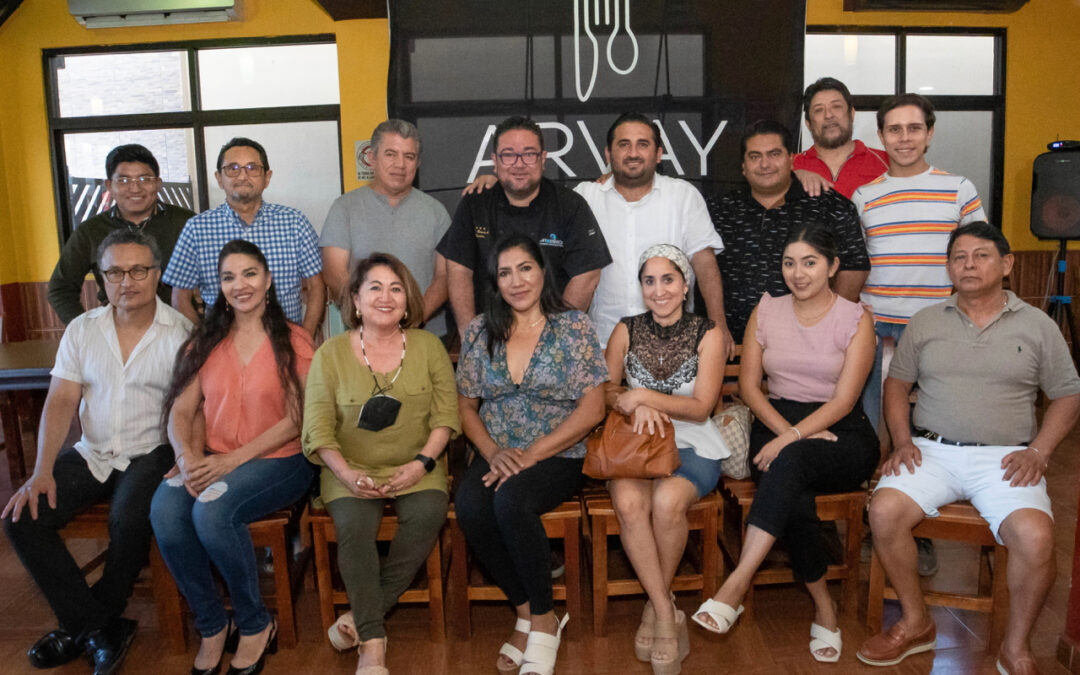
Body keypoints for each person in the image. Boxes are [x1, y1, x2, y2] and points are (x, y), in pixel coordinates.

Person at [857, 223, 1080, 673]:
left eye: (981, 255)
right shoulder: (926, 321)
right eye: (959, 257)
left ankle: (1015, 648)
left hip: (1007, 458)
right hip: (932, 451)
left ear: (1007, 263)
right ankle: (917, 622)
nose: (969, 265)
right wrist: (901, 441)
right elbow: (896, 384)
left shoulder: (1037, 325)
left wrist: (1040, 451)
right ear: (948, 268)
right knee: (883, 511)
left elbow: (1068, 394)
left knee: (1036, 540)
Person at [3, 229, 192, 675]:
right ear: (101, 278)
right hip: (94, 452)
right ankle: (97, 628)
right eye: (115, 272)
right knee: (22, 517)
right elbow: (61, 401)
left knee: (127, 518)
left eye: (139, 270)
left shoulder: (180, 333)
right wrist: (41, 470)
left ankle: (92, 621)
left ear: (157, 274)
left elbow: (187, 410)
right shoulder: (82, 331)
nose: (128, 280)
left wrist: (186, 460)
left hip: (154, 450)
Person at [691, 224, 879, 664]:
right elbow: (752, 389)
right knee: (793, 493)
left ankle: (736, 583)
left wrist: (796, 436)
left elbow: (846, 399)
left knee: (787, 466)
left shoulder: (856, 317)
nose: (798, 273)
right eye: (789, 263)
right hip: (774, 421)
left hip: (842, 430)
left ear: (832, 267)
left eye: (810, 263)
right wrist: (786, 433)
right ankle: (825, 608)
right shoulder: (767, 310)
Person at [150, 239, 315, 675]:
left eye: (249, 274)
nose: (239, 285)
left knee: (211, 511)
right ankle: (211, 624)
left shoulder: (295, 340)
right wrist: (186, 457)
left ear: (268, 280)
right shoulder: (204, 342)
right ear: (216, 287)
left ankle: (256, 622)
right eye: (228, 277)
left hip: (281, 460)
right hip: (212, 457)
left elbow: (297, 420)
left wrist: (231, 461)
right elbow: (180, 412)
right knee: (165, 509)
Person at [453, 234, 608, 675]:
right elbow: (466, 406)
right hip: (497, 449)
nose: (517, 280)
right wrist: (495, 451)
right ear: (494, 282)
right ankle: (526, 611)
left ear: (543, 270)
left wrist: (531, 454)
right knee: (470, 506)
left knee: (511, 501)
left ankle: (542, 621)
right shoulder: (481, 329)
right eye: (505, 272)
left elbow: (593, 407)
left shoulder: (573, 326)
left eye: (525, 268)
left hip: (558, 453)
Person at [302, 253, 459, 675]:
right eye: (374, 287)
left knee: (428, 514)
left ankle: (361, 615)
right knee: (354, 527)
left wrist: (423, 464)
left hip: (417, 465)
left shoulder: (428, 347)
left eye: (396, 289)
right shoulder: (329, 355)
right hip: (348, 468)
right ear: (354, 300)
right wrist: (346, 473)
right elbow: (317, 429)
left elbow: (446, 417)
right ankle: (373, 642)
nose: (386, 297)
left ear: (408, 302)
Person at [464, 113, 729, 353]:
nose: (633, 153)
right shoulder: (585, 197)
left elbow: (705, 265)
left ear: (659, 154)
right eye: (624, 145)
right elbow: (529, 191)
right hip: (601, 344)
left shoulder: (684, 196)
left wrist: (719, 326)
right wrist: (497, 182)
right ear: (607, 155)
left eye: (643, 144)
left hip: (674, 343)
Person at [603, 244, 727, 674]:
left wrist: (646, 397)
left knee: (667, 503)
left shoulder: (707, 332)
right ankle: (664, 611)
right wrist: (633, 405)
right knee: (631, 504)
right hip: (635, 444)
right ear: (640, 287)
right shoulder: (625, 329)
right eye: (649, 281)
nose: (659, 290)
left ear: (686, 283)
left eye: (668, 279)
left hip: (694, 442)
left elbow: (701, 406)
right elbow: (605, 389)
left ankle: (656, 612)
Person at [855, 94, 987, 433]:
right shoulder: (864, 196)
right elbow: (854, 262)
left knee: (938, 420)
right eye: (894, 129)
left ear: (929, 134)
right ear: (881, 136)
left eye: (914, 128)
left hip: (938, 323)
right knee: (872, 421)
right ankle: (876, 478)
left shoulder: (958, 188)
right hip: (876, 327)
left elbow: (981, 256)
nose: (904, 138)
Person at [438, 116, 612, 342]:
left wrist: (556, 337)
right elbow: (459, 269)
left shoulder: (569, 205)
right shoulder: (475, 203)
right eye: (509, 155)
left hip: (551, 341)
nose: (519, 164)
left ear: (543, 159)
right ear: (495, 161)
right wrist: (470, 336)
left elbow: (586, 275)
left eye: (529, 154)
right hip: (489, 338)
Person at [708, 120, 870, 344]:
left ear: (791, 160)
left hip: (810, 344)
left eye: (774, 154)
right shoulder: (718, 210)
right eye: (755, 157)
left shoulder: (830, 206)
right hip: (732, 345)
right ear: (743, 166)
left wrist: (827, 324)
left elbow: (854, 266)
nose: (765, 164)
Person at [164, 137, 325, 335]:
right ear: (219, 178)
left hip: (285, 346)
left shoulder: (295, 223)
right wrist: (204, 343)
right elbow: (180, 297)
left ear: (267, 177)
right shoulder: (196, 229)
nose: (242, 176)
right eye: (233, 168)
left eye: (252, 168)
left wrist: (304, 341)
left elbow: (316, 287)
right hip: (222, 349)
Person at [320, 120, 452, 336]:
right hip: (363, 336)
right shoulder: (344, 208)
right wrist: (371, 319)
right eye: (391, 154)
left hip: (424, 333)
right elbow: (335, 274)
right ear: (372, 158)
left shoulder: (436, 212)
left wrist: (412, 320)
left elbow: (445, 278)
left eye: (409, 157)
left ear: (417, 163)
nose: (400, 164)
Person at [48, 143, 195, 324]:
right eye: (124, 180)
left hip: (180, 332)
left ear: (158, 184)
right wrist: (85, 330)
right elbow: (60, 289)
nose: (135, 188)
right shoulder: (90, 231)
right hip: (119, 333)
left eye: (144, 179)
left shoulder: (188, 223)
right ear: (109, 185)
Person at [793, 77, 889, 199]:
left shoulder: (887, 162)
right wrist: (791, 177)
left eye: (836, 107)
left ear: (852, 114)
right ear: (808, 124)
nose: (828, 115)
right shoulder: (789, 166)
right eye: (819, 110)